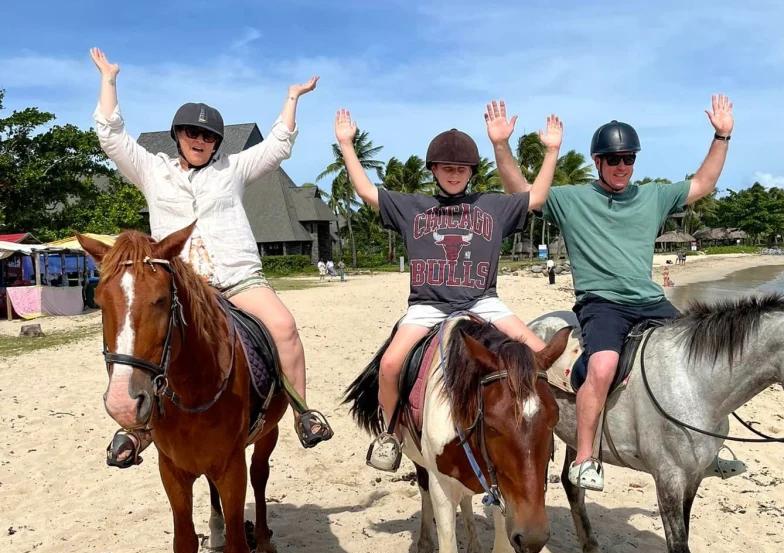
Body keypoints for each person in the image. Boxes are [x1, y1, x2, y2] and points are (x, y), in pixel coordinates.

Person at [89, 47, 333, 468]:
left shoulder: (232, 170)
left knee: (284, 327)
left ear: (217, 143)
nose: (199, 141)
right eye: (191, 134)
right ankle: (137, 426)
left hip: (238, 278)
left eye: (207, 137)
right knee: (143, 337)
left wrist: (292, 98)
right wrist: (109, 79)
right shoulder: (152, 170)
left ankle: (300, 411)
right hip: (181, 285)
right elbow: (111, 137)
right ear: (177, 136)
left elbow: (277, 147)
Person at [490, 95, 744, 490]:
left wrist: (722, 135)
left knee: (706, 356)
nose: (622, 166)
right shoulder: (571, 199)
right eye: (614, 159)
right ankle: (586, 457)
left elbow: (704, 182)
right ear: (597, 162)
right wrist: (502, 145)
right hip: (602, 304)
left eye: (629, 159)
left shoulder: (654, 196)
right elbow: (520, 191)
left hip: (650, 300)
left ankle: (710, 448)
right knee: (604, 366)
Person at [334, 107, 562, 471]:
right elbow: (364, 190)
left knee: (541, 354)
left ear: (471, 172)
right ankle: (390, 435)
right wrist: (346, 143)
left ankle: (538, 432)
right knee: (391, 363)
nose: (454, 175)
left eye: (461, 169)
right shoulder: (413, 207)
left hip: (484, 302)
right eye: (446, 168)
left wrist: (551, 151)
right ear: (433, 171)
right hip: (428, 306)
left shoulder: (491, 206)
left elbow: (535, 197)